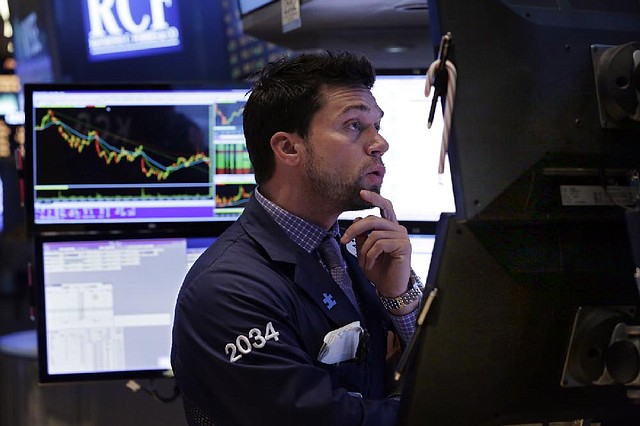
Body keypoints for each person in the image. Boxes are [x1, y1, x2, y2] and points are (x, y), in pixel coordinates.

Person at [171, 50, 424, 426]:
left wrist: (398, 300)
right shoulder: (226, 290)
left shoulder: (354, 253)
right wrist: (451, 410)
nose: (379, 144)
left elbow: (419, 376)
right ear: (288, 148)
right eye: (355, 125)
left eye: (377, 126)